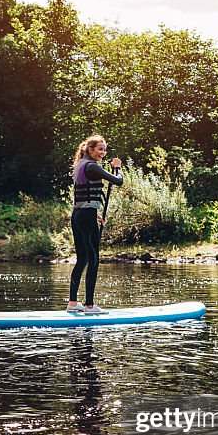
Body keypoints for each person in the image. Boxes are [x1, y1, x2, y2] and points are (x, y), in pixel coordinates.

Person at [69, 134, 123, 314]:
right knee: (93, 260)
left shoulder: (80, 165)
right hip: (85, 217)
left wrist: (95, 213)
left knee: (82, 259)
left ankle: (72, 303)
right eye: (100, 149)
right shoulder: (91, 166)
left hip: (78, 215)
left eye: (104, 149)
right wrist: (117, 168)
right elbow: (118, 181)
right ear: (90, 149)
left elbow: (84, 196)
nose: (103, 153)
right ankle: (89, 305)